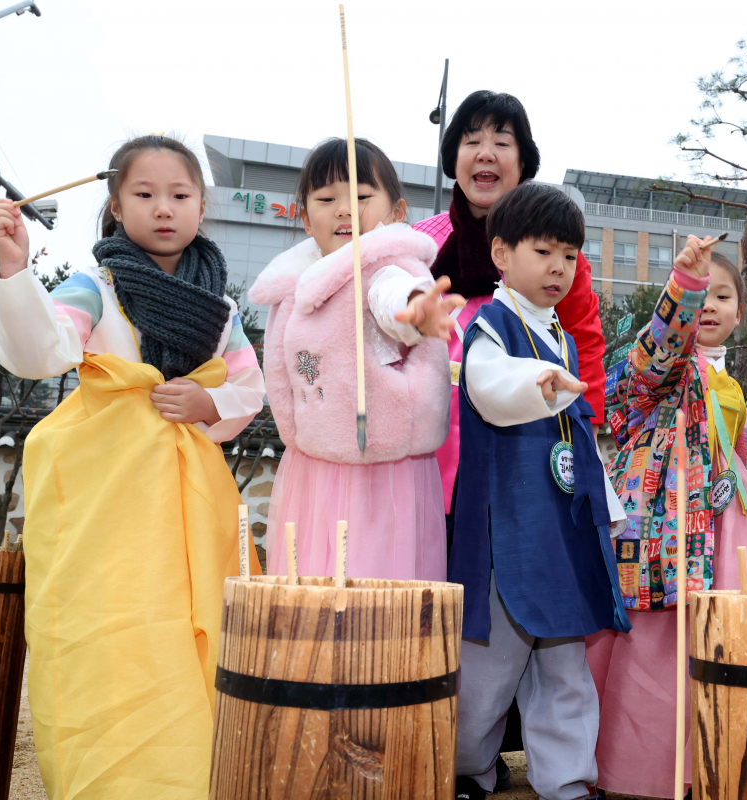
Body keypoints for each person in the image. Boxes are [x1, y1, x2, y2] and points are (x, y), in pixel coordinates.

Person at [0, 135, 265, 800]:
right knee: (109, 644)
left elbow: (249, 392)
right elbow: (40, 351)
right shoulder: (96, 287)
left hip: (189, 518)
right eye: (144, 194)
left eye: (179, 195)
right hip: (104, 515)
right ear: (115, 206)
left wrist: (207, 401)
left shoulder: (220, 310)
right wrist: (13, 271)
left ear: (203, 207)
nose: (163, 209)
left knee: (192, 642)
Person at [586, 245, 747, 798]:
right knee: (658, 645)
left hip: (730, 522)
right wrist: (687, 282)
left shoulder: (728, 380)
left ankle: (725, 760)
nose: (709, 305)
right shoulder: (658, 364)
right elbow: (659, 355)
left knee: (739, 638)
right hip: (668, 521)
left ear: (739, 312)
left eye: (721, 295)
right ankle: (646, 772)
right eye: (699, 295)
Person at [450, 183, 630, 800]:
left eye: (571, 256)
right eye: (544, 251)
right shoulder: (489, 326)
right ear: (502, 253)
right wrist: (541, 381)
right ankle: (468, 767)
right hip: (507, 528)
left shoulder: (564, 337)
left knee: (566, 663)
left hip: (562, 527)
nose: (559, 267)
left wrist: (607, 507)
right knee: (487, 668)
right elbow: (488, 388)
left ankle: (568, 780)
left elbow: (578, 439)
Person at [249, 138, 464, 581]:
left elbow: (393, 300)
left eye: (362, 197)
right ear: (306, 218)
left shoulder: (385, 268)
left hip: (381, 476)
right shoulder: (293, 283)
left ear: (397, 213)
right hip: (311, 470)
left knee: (376, 590)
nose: (345, 211)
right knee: (310, 587)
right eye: (327, 200)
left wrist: (416, 311)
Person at [413, 89, 606, 540]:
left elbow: (583, 340)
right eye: (471, 140)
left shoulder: (556, 251)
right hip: (428, 446)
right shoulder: (420, 242)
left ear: (523, 162)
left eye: (502, 142)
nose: (486, 153)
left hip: (527, 440)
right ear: (453, 156)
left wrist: (587, 430)